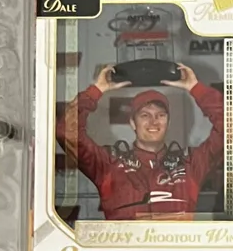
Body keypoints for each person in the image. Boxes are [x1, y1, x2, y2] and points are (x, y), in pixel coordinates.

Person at [56, 63, 224, 221]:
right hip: (123, 244)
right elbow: (66, 131)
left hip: (176, 244)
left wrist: (196, 88)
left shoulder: (191, 164)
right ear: (132, 123)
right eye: (145, 115)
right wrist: (95, 91)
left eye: (161, 115)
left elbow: (231, 127)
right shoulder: (108, 164)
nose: (154, 121)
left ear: (168, 122)